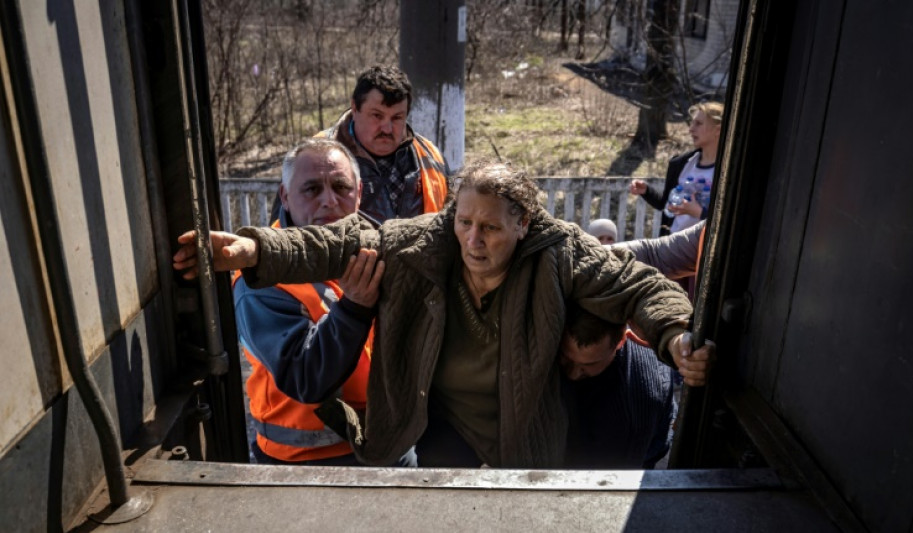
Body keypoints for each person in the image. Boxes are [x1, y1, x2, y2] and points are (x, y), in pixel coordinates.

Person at [174, 160, 713, 469]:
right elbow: (339, 242)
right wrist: (254, 251)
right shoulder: (421, 244)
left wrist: (675, 336)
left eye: (491, 228)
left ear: (523, 224)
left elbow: (639, 285)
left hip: (525, 437)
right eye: (464, 222)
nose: (473, 241)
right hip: (438, 432)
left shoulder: (558, 252)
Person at [234, 138, 408, 466]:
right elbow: (305, 376)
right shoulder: (259, 277)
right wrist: (354, 309)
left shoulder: (383, 247)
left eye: (340, 187)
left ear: (359, 193)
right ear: (285, 197)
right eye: (311, 189)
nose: (329, 201)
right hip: (305, 462)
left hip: (388, 444)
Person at [315, 65, 448, 225]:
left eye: (397, 117)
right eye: (377, 115)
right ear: (355, 108)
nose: (387, 128)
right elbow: (282, 235)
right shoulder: (314, 157)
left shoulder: (430, 156)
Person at [560, 304, 680, 469]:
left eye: (588, 365)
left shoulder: (637, 404)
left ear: (621, 341)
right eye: (566, 358)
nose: (572, 374)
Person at [629, 102, 723, 235]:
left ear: (718, 130)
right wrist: (647, 191)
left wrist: (699, 213)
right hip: (673, 243)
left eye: (699, 124)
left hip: (704, 248)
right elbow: (666, 206)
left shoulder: (729, 171)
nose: (691, 129)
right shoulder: (680, 163)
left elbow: (728, 221)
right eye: (692, 123)